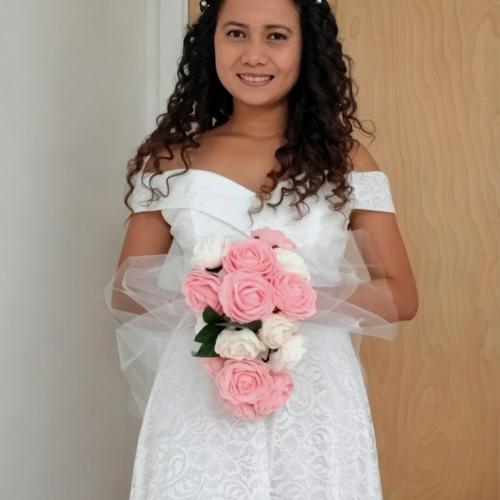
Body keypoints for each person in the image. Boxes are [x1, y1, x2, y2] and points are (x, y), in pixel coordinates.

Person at [104, 0, 419, 498]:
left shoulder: (347, 160)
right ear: (210, 43)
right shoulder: (169, 160)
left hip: (314, 392)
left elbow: (401, 296)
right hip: (202, 387)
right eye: (236, 33)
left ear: (306, 47)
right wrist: (221, 297)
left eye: (276, 35)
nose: (253, 54)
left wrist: (283, 296)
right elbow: (126, 290)